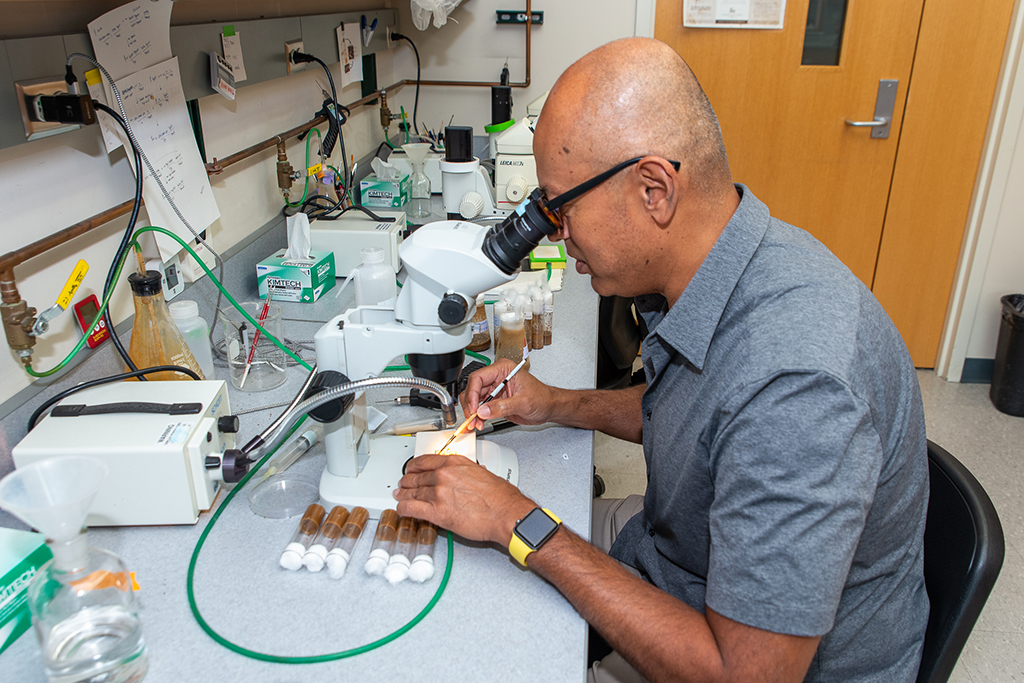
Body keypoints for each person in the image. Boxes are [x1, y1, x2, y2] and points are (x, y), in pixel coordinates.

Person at [394, 37, 929, 683]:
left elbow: (743, 673)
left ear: (654, 189)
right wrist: (555, 403)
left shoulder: (796, 382)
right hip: (681, 553)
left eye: (561, 209)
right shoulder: (729, 261)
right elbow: (708, 416)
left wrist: (515, 519)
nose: (556, 239)